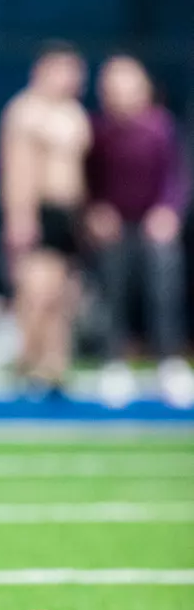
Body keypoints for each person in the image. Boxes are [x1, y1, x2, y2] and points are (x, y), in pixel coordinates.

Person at [86, 55, 194, 407]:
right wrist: (97, 210)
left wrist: (168, 212)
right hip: (116, 230)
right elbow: (92, 181)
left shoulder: (160, 127)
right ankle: (114, 365)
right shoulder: (100, 131)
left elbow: (176, 177)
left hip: (156, 227)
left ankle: (170, 365)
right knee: (112, 292)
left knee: (164, 291)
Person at [0, 41, 91, 393]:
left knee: (63, 295)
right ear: (44, 70)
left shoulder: (73, 114)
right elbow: (17, 170)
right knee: (37, 291)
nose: (72, 79)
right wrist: (20, 217)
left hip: (68, 214)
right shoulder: (26, 112)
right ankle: (29, 363)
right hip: (39, 210)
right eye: (65, 70)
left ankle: (55, 366)